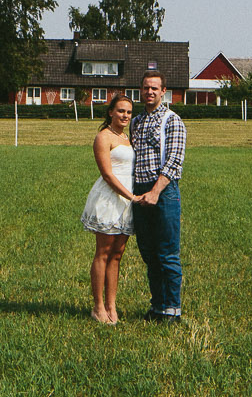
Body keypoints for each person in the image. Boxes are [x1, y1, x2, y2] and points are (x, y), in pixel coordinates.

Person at [129, 65, 186, 322]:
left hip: (163, 192)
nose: (149, 92)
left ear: (164, 92)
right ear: (140, 90)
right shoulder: (136, 122)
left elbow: (174, 161)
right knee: (149, 253)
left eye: (154, 88)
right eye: (145, 87)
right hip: (140, 193)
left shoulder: (171, 120)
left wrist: (154, 192)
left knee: (167, 253)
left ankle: (172, 309)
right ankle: (157, 306)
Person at [80, 93, 137, 323]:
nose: (125, 115)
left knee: (117, 254)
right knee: (103, 252)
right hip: (111, 198)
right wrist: (131, 196)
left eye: (129, 112)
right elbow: (107, 174)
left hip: (127, 200)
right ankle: (98, 306)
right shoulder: (103, 137)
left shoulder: (128, 138)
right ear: (111, 112)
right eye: (121, 111)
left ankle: (112, 306)